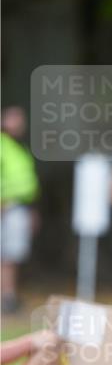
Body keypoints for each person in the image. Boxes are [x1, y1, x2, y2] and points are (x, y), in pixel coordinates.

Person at [1, 107, 39, 314]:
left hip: (20, 207)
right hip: (6, 208)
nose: (18, 123)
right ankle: (6, 297)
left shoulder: (19, 147)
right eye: (13, 118)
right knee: (6, 255)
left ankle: (8, 296)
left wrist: (31, 209)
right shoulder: (3, 145)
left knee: (12, 255)